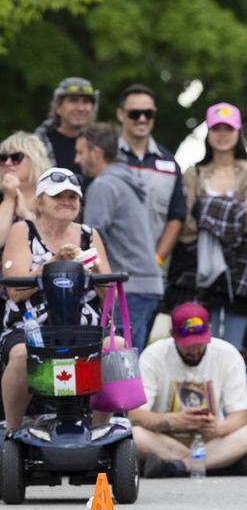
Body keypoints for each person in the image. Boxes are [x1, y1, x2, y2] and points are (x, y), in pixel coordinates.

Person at [169, 102, 247, 419]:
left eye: (228, 128)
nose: (222, 135)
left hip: (241, 273)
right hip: (201, 272)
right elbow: (188, 224)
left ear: (238, 132)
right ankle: (204, 422)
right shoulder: (194, 173)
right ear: (208, 133)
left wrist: (206, 213)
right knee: (203, 348)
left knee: (238, 353)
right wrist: (231, 211)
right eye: (216, 128)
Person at [0, 168, 112, 429]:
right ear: (40, 202)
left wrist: (95, 268)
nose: (66, 201)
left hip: (84, 325)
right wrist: (54, 263)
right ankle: (12, 430)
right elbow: (15, 291)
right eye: (57, 196)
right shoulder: (23, 230)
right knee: (21, 354)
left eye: (72, 197)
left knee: (114, 345)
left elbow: (110, 299)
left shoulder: (89, 235)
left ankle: (100, 430)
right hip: (30, 325)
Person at [129, 302, 247, 478]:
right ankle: (220, 464)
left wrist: (218, 428)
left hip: (211, 441)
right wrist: (172, 421)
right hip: (167, 441)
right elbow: (135, 414)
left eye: (200, 343)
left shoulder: (228, 354)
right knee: (135, 435)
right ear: (172, 335)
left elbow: (240, 417)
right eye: (187, 344)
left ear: (209, 331)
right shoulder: (153, 356)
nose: (194, 350)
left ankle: (179, 466)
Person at [75, 123, 163, 351]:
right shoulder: (127, 180)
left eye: (81, 152)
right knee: (131, 361)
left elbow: (89, 239)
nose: (77, 159)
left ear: (96, 152)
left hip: (128, 287)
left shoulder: (103, 185)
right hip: (147, 285)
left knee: (121, 366)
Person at [116, 84, 187, 279]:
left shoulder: (169, 163)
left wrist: (157, 259)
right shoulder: (104, 157)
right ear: (121, 114)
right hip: (109, 271)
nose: (142, 119)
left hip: (150, 274)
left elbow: (176, 216)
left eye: (148, 113)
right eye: (135, 113)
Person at [33, 77, 98, 180]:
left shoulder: (101, 144)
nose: (80, 108)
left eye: (86, 101)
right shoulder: (37, 146)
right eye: (73, 101)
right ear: (58, 108)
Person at [0, 132, 50, 250]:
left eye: (16, 157)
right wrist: (9, 199)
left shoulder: (52, 197)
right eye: (3, 158)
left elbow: (52, 241)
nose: (7, 163)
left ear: (35, 160)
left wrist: (26, 215)